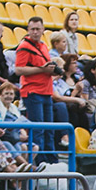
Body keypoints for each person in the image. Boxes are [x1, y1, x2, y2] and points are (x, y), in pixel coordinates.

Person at [13, 17, 62, 165]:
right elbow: (18, 69)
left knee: (49, 129)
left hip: (46, 91)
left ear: (42, 30)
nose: (35, 32)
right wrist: (42, 69)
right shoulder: (24, 46)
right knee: (39, 129)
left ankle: (51, 159)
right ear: (28, 30)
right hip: (33, 91)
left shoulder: (43, 46)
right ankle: (41, 161)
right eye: (32, 29)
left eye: (37, 29)